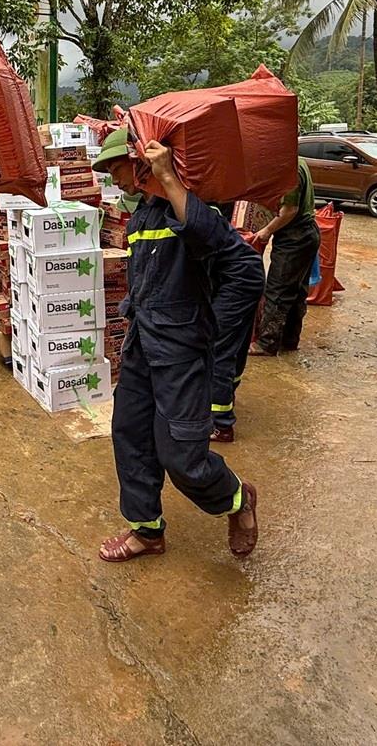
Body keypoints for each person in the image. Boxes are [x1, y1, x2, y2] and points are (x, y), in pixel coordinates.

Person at [88, 127, 260, 563]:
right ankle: (146, 530)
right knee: (130, 435)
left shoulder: (193, 213)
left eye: (116, 167)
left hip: (181, 357)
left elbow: (246, 271)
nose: (113, 179)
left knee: (181, 456)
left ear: (142, 164)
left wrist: (209, 328)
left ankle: (237, 499)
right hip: (142, 347)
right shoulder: (142, 216)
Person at [250, 157, 321, 357]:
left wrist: (266, 231)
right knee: (296, 292)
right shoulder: (299, 160)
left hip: (295, 237)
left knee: (278, 290)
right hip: (306, 233)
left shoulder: (290, 169)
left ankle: (266, 343)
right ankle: (289, 340)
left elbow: (290, 210)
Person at [207, 207, 266, 443]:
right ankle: (227, 394)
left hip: (238, 281)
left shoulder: (187, 219)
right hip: (247, 273)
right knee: (235, 343)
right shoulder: (200, 212)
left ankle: (220, 424)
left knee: (217, 348)